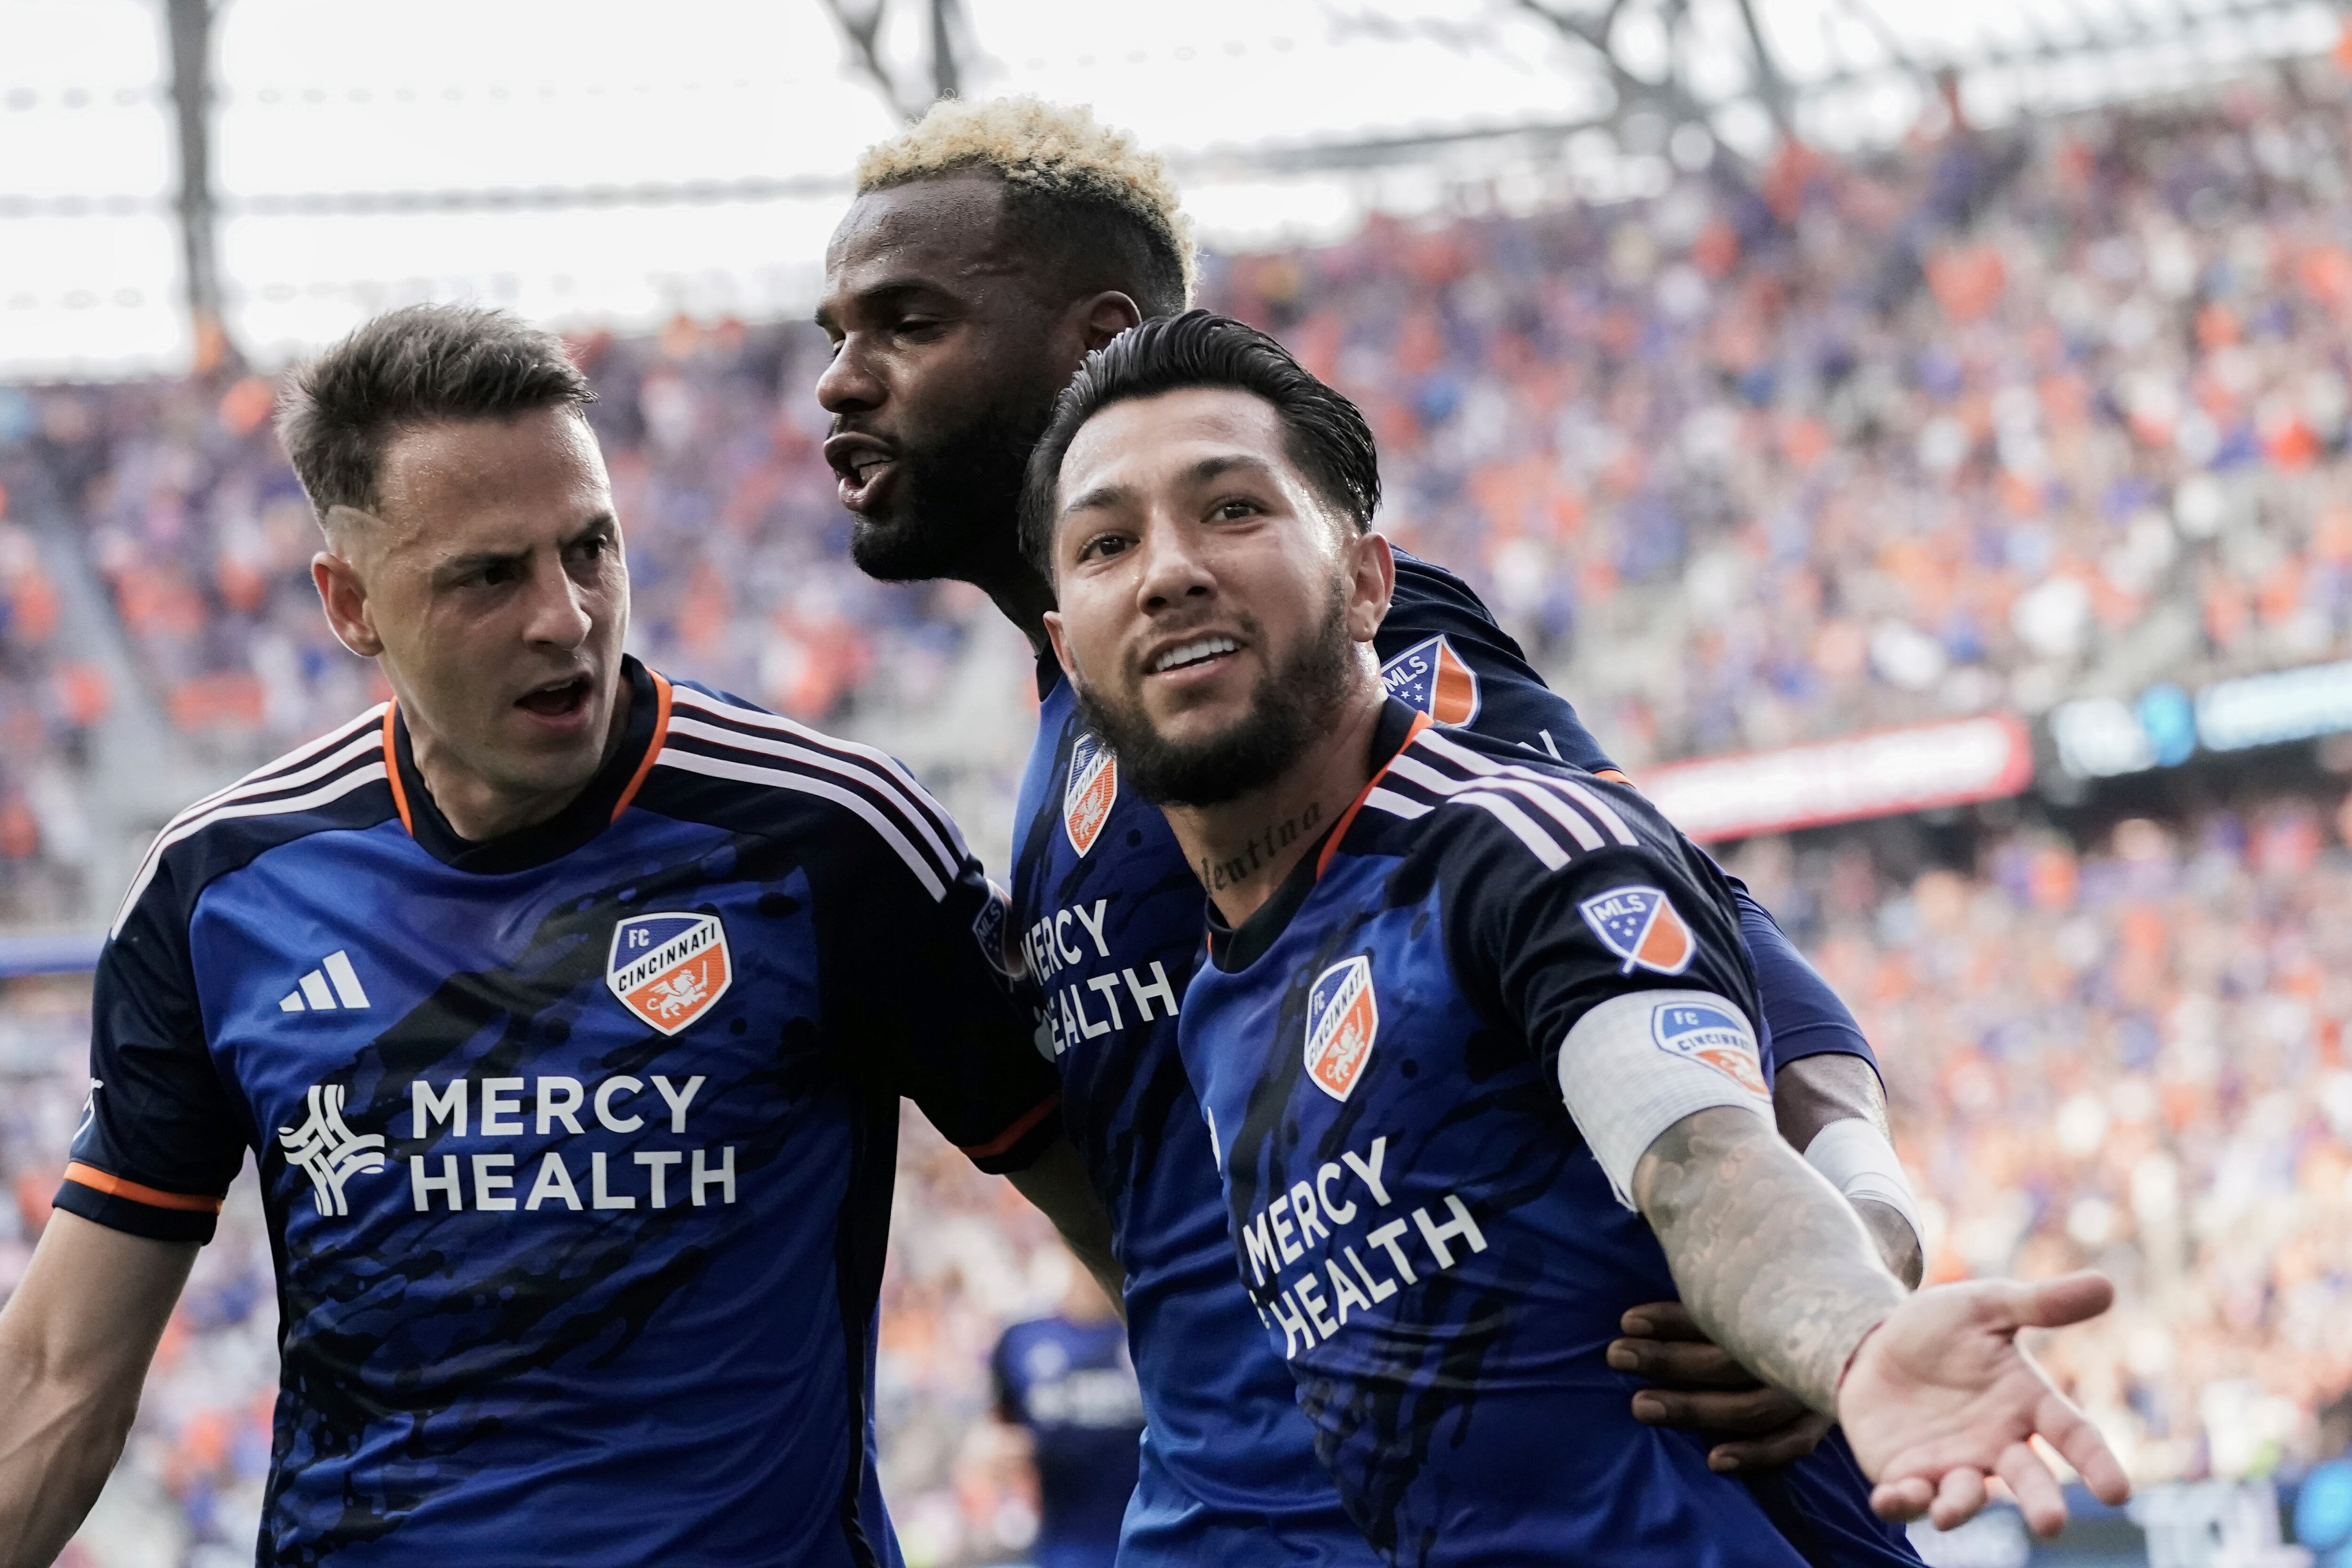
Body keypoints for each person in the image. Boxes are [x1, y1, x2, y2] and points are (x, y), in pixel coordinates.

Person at [818, 97, 1924, 1563]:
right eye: (837, 333)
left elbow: (1683, 924)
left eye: (905, 324)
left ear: (1098, 343)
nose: (840, 380)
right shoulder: (1067, 741)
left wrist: (1858, 1240)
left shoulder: (1319, 648)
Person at [0, 304, 1111, 1568]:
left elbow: (1128, 1229)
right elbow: (56, 1380)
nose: (567, 617)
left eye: (591, 549)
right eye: (490, 575)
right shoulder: (223, 890)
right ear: (351, 604)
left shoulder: (830, 837)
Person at [1025, 308, 2131, 1564]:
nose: (1168, 570)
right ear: (1070, 650)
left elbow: (1705, 1161)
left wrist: (1857, 1339)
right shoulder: (1219, 1003)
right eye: (1108, 543)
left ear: (1370, 584)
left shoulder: (1512, 850)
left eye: (1233, 509)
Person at [991, 1254, 1148, 1568]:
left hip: (1151, 1545)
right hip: (1063, 1548)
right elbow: (1000, 1436)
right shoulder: (1021, 1340)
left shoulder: (1152, 1336)